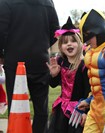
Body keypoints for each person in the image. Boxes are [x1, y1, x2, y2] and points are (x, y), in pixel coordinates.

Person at [0, 0, 60, 132]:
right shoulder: (47, 2)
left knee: (16, 106)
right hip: (40, 60)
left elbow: (1, 31)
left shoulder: (6, 2)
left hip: (14, 61)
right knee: (41, 109)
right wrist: (42, 44)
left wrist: (2, 54)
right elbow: (55, 31)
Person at [47, 16, 90, 133]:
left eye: (73, 41)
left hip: (78, 111)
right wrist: (54, 75)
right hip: (61, 110)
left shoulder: (84, 65)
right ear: (61, 47)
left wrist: (85, 113)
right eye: (65, 42)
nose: (69, 44)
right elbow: (53, 85)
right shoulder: (60, 61)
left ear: (80, 43)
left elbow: (88, 91)